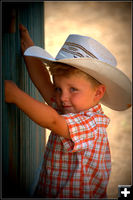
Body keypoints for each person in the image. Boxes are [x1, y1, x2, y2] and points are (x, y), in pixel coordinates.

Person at [5, 24, 131, 198]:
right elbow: (43, 82)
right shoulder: (69, 105)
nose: (62, 97)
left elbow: (53, 121)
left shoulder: (92, 122)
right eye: (58, 88)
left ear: (98, 93)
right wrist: (29, 47)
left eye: (73, 89)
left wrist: (15, 96)